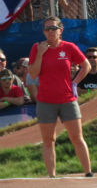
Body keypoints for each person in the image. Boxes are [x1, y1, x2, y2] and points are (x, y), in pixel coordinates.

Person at [28, 16, 93, 178]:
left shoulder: (69, 47)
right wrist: (41, 54)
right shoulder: (37, 48)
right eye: (47, 29)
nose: (51, 32)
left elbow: (87, 65)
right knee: (49, 140)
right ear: (43, 32)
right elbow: (33, 73)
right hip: (45, 101)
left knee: (77, 137)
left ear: (60, 30)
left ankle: (88, 173)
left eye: (54, 28)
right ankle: (52, 177)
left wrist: (75, 82)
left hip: (67, 99)